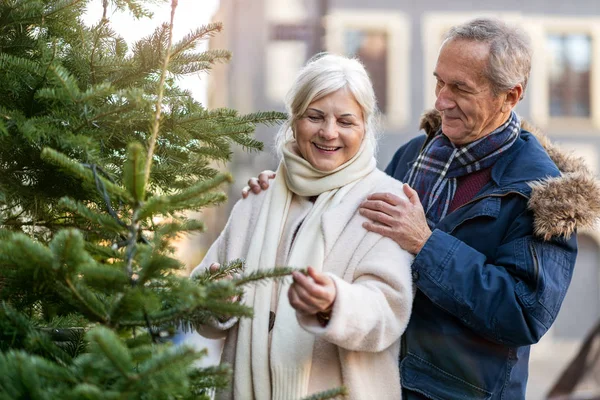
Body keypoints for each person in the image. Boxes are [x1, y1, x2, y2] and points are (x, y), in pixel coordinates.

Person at [244, 18, 600, 400]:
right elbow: (349, 224)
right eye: (440, 81)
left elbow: (523, 314)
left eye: (460, 88)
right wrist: (286, 189)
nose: (441, 100)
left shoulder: (543, 194)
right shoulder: (414, 154)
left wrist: (427, 244)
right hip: (374, 382)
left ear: (510, 96)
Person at [192, 54, 414, 400]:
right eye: (315, 116)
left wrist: (333, 302)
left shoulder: (384, 199)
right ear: (294, 120)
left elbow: (387, 312)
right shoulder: (258, 197)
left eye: (346, 121)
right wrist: (218, 298)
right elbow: (197, 299)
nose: (328, 132)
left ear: (365, 127)